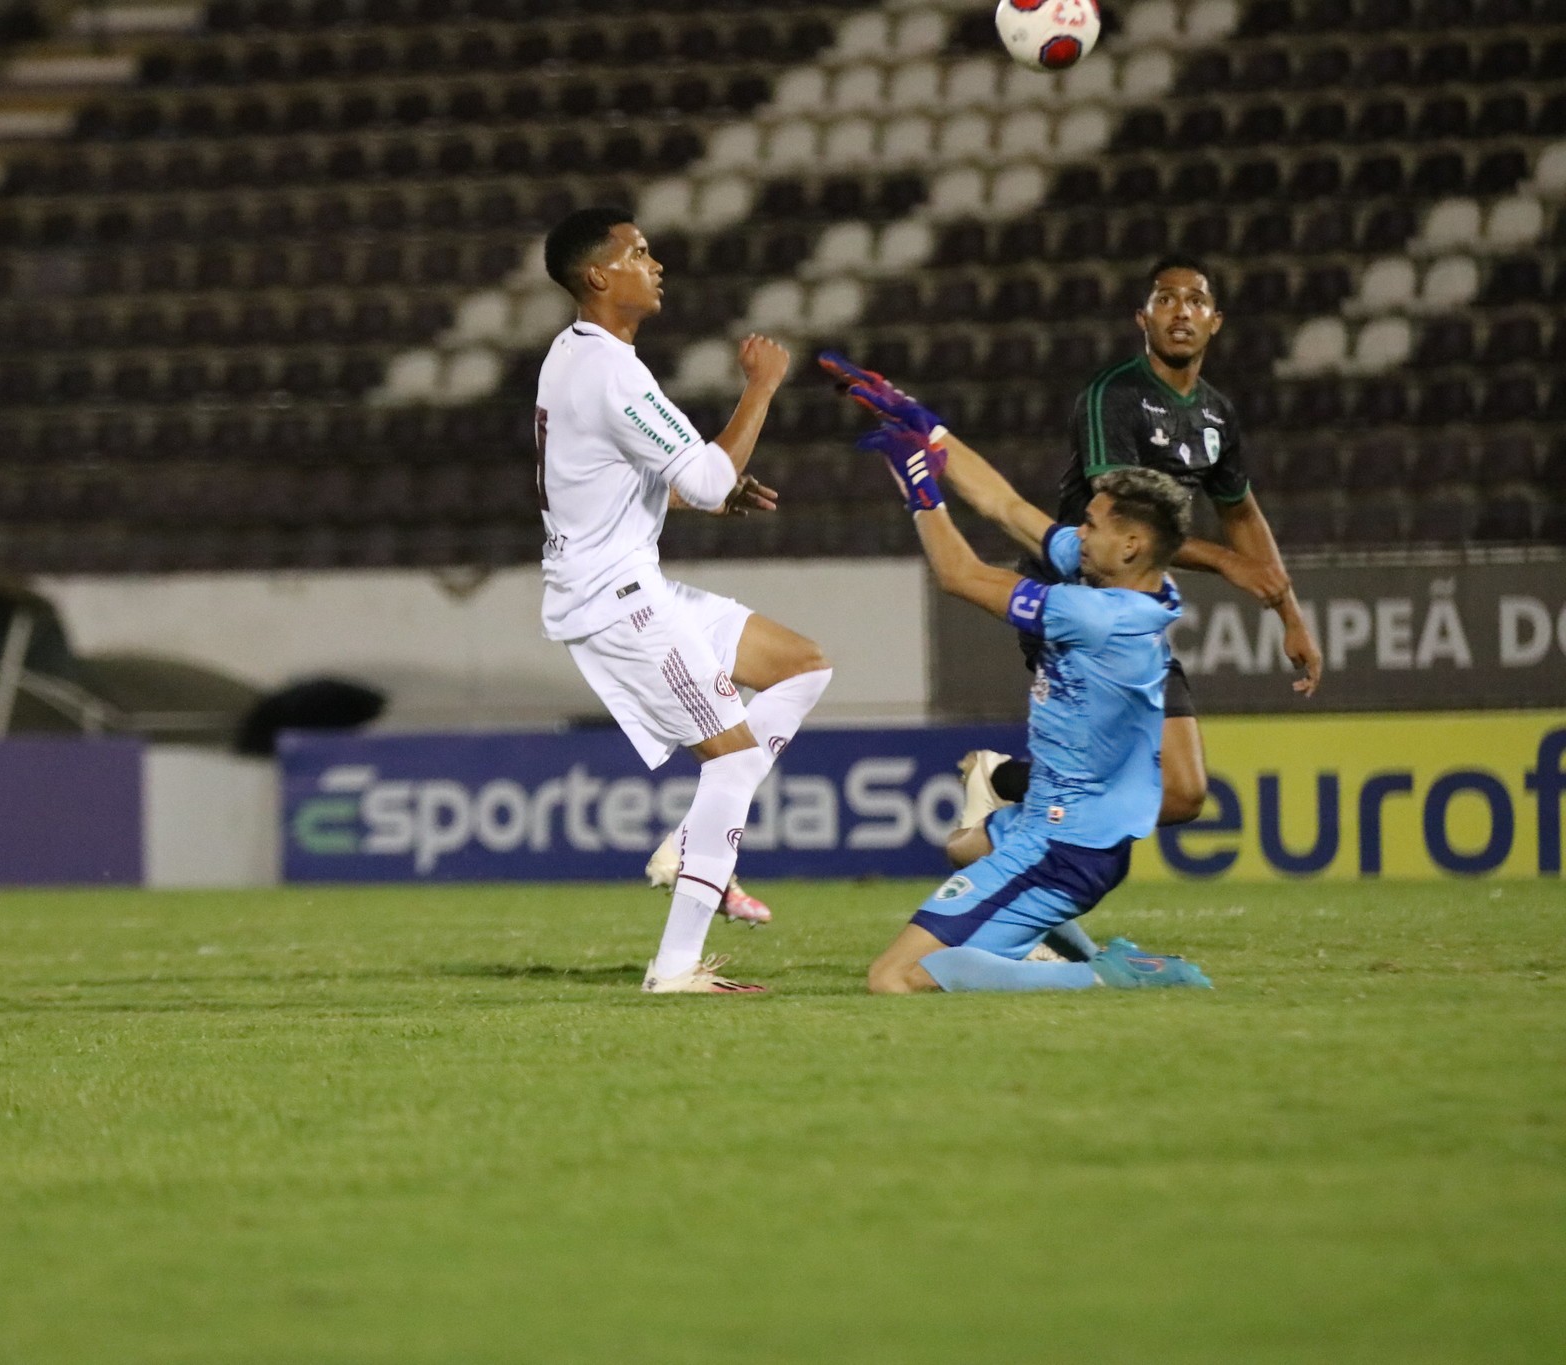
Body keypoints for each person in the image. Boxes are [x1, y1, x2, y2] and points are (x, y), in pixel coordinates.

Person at [870, 258, 1324, 846]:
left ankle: (1004, 793)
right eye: (1166, 299)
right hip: (1077, 601)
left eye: (1195, 300)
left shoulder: (1216, 415)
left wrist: (1290, 613)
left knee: (1181, 794)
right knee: (1096, 796)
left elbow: (1240, 512)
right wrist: (922, 461)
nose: (1181, 310)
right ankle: (1004, 846)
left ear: (1216, 321)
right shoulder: (1113, 399)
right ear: (1143, 318)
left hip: (1132, 617)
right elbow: (1115, 524)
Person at [830, 367, 1212, 994]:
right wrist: (923, 423)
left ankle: (1102, 977)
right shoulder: (1131, 582)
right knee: (964, 846)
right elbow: (1006, 506)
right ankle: (1074, 950)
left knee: (895, 977)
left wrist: (920, 488)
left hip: (1061, 846)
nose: (1076, 534)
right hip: (1061, 829)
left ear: (1133, 544)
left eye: (1091, 525)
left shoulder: (1095, 613)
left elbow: (960, 574)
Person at [535, 207, 833, 994]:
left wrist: (701, 488)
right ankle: (674, 967)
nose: (655, 263)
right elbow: (705, 477)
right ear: (598, 275)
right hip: (615, 599)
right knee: (731, 762)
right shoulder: (610, 370)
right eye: (637, 253)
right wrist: (761, 388)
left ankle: (691, 842)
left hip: (629, 579)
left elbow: (623, 480)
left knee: (803, 667)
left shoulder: (573, 357)